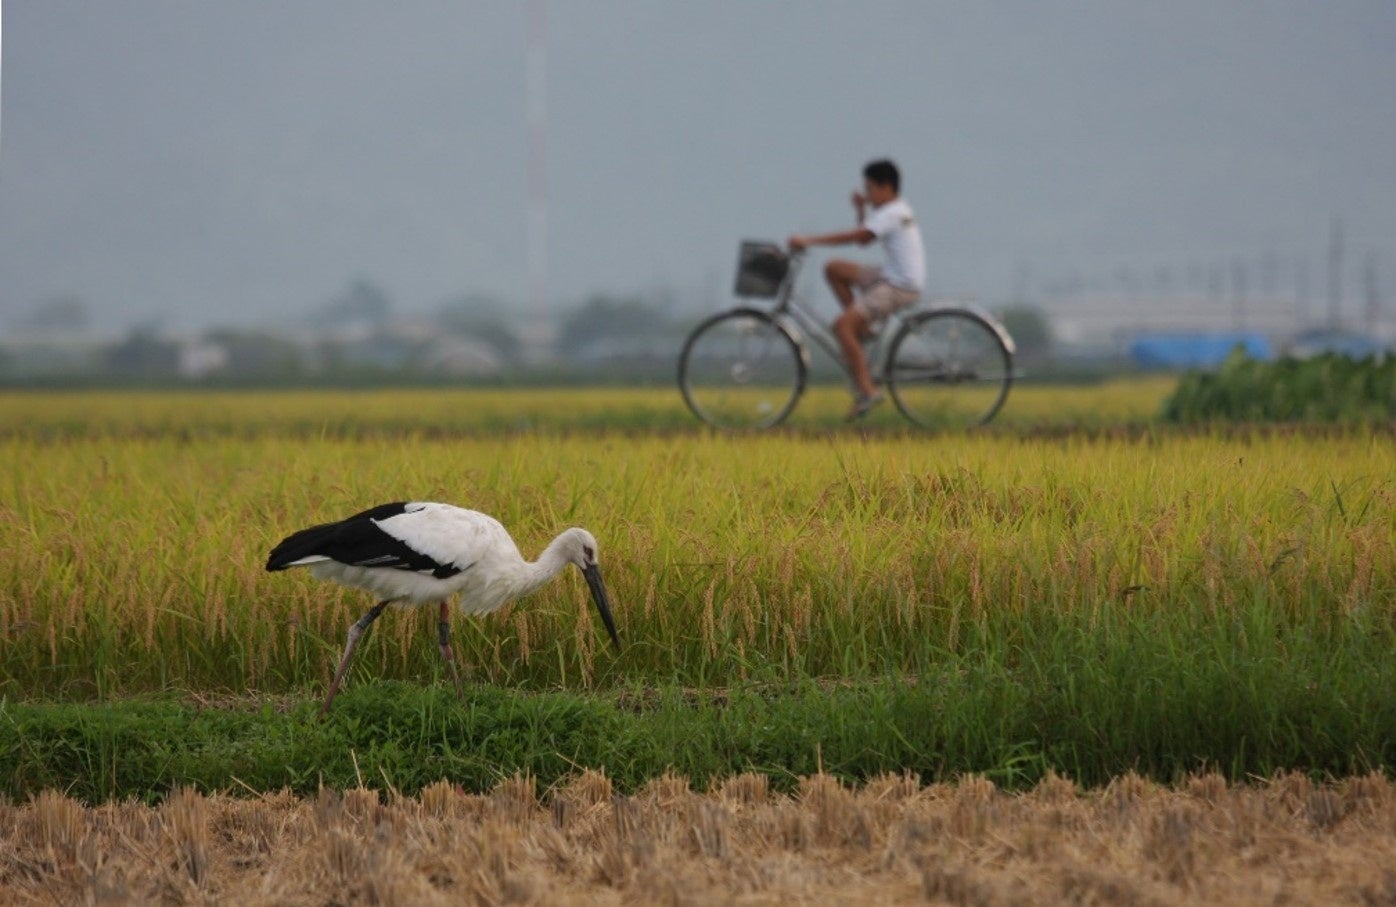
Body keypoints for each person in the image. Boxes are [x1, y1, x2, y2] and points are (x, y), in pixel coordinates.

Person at [789, 159, 925, 420]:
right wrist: (861, 211)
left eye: (870, 189)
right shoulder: (896, 210)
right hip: (891, 276)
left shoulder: (892, 213)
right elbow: (865, 238)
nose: (867, 195)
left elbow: (858, 237)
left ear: (886, 187)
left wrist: (808, 240)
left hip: (898, 286)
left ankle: (867, 391)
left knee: (841, 327)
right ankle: (861, 329)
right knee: (834, 269)